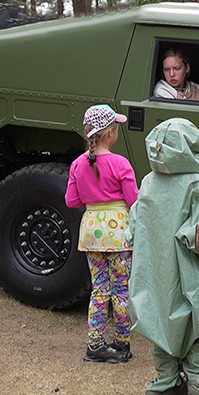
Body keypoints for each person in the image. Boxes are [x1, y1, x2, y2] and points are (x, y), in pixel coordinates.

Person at [126, 118, 199, 395]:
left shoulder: (149, 182)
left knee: (161, 332)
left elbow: (133, 228)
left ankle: (165, 385)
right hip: (189, 276)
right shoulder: (197, 184)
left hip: (152, 275)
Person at [65, 104, 138, 364]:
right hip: (118, 231)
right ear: (111, 133)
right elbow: (133, 199)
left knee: (100, 289)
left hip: (92, 231)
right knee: (121, 288)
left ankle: (95, 345)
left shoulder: (77, 164)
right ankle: (121, 342)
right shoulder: (120, 163)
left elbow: (72, 201)